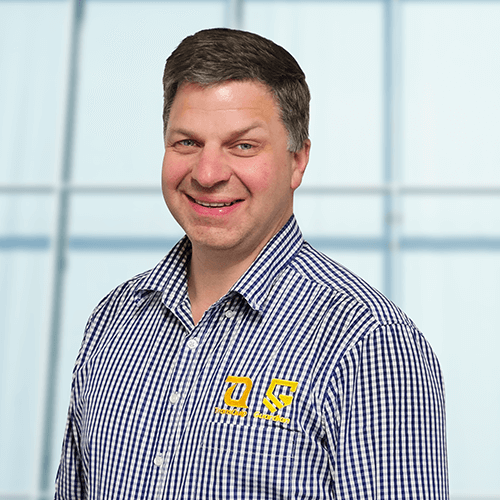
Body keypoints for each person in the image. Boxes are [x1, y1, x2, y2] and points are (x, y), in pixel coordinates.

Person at [55, 28, 448, 499]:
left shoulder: (370, 344)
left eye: (243, 146)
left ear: (297, 161)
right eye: (187, 143)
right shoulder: (113, 321)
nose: (207, 174)